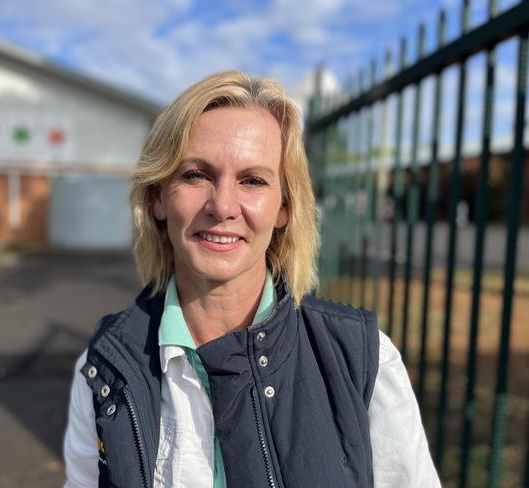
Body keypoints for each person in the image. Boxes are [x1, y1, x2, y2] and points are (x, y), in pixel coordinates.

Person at [63, 70, 440, 487]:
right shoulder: (104, 369)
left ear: (283, 209)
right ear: (158, 197)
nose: (223, 205)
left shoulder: (365, 362)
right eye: (195, 174)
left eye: (253, 180)